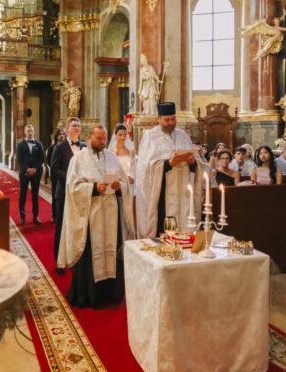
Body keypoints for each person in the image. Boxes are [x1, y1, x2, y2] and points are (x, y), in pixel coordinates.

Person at [57, 124, 134, 309]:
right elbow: (72, 188)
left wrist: (119, 186)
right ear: (89, 137)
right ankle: (89, 296)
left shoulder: (113, 158)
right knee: (91, 253)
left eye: (104, 139)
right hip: (91, 218)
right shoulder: (79, 160)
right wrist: (93, 188)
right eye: (98, 138)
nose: (102, 142)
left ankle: (112, 294)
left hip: (111, 215)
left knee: (112, 251)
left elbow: (125, 183)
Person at [136, 101, 204, 237]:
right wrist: (169, 163)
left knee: (184, 229)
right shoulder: (150, 137)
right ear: (159, 119)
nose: (171, 123)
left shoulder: (183, 135)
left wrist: (192, 163)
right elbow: (144, 170)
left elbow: (197, 166)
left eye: (173, 119)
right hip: (161, 194)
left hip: (182, 192)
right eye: (167, 120)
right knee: (163, 231)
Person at [50, 117, 86, 271]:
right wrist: (70, 177)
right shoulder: (60, 147)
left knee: (76, 226)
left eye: (78, 125)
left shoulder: (84, 147)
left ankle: (74, 257)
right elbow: (54, 169)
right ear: (67, 128)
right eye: (74, 125)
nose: (76, 128)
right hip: (63, 192)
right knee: (61, 227)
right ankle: (59, 261)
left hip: (79, 194)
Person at [16, 124, 44, 226]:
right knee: (23, 195)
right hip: (24, 173)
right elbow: (19, 160)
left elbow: (41, 159)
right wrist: (27, 169)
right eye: (28, 131)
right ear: (25, 132)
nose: (30, 132)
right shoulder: (20, 145)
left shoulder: (39, 144)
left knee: (35, 195)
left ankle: (35, 217)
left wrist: (35, 169)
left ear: (34, 131)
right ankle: (22, 218)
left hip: (36, 173)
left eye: (31, 130)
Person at [108, 123, 136, 192]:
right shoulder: (111, 151)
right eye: (120, 135)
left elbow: (134, 167)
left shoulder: (130, 151)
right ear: (115, 135)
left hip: (129, 181)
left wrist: (133, 178)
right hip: (116, 182)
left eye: (125, 134)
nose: (123, 137)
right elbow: (110, 168)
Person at [46, 129, 65, 222]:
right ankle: (55, 215)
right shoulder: (51, 148)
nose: (61, 136)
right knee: (55, 195)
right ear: (56, 136)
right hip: (55, 175)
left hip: (64, 175)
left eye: (63, 134)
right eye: (60, 134)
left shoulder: (68, 147)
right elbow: (49, 161)